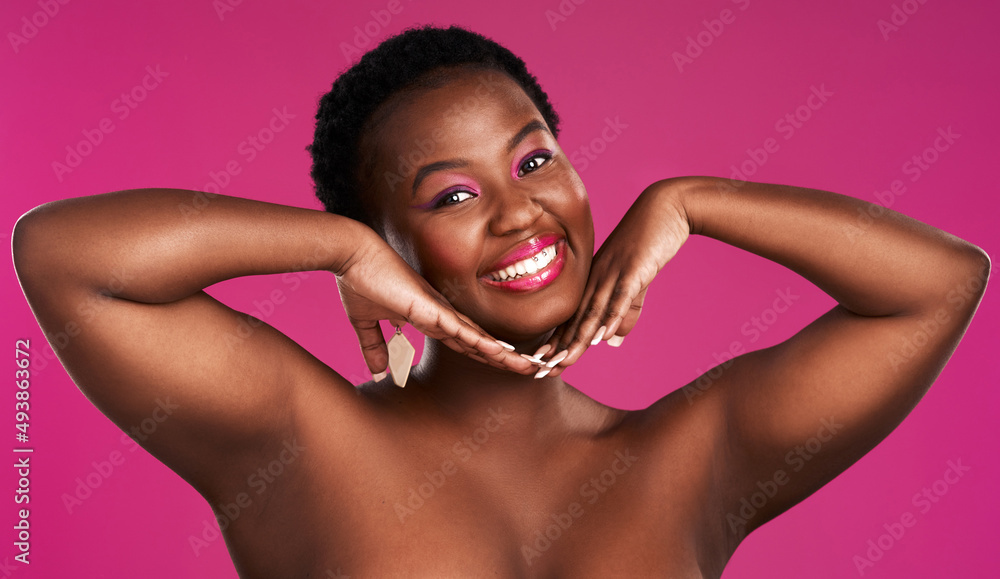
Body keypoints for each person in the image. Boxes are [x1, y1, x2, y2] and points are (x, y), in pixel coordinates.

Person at [12, 24, 989, 578]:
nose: (522, 214)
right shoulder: (293, 439)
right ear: (390, 246)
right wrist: (334, 246)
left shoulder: (691, 457)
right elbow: (61, 253)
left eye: (534, 160)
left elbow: (937, 283)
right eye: (452, 195)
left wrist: (693, 202)